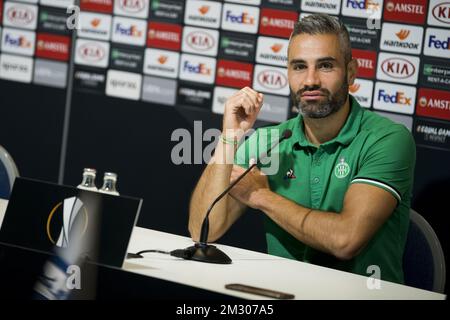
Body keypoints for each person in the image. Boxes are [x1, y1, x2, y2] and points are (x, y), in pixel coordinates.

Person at [188, 13, 416, 284]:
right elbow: (203, 230)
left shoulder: (387, 139)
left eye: (325, 66)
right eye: (299, 67)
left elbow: (345, 240)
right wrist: (229, 136)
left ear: (351, 72)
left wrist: (260, 195)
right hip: (283, 293)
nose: (310, 81)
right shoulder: (269, 141)